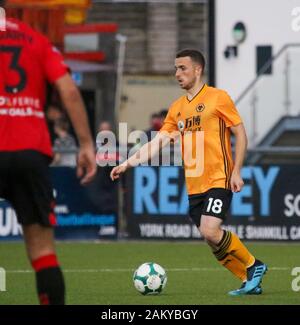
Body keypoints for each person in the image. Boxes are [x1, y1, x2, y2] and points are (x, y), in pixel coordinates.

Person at [111, 49, 267, 296]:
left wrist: (237, 171)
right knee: (210, 238)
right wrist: (127, 163)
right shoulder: (177, 108)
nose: (177, 73)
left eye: (182, 68)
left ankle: (253, 265)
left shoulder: (218, 98)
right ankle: (248, 278)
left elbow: (241, 134)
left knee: (210, 230)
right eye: (175, 69)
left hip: (219, 176)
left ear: (198, 69)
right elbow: (157, 142)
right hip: (195, 185)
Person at [0, 0, 96, 305]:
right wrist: (85, 144)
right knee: (42, 251)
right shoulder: (35, 40)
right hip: (31, 150)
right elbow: (69, 91)